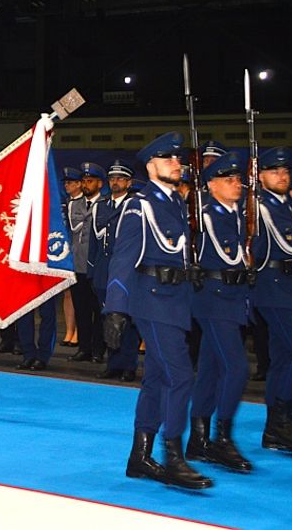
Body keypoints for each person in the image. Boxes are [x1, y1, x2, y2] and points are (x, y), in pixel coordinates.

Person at [104, 132, 213, 490]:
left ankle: (140, 456)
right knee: (180, 377)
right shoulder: (141, 204)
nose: (177, 164)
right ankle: (174, 457)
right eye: (168, 159)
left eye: (178, 159)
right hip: (152, 302)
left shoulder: (175, 203)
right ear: (151, 166)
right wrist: (116, 308)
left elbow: (174, 250)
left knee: (155, 380)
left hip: (175, 300)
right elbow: (122, 258)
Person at [185, 152, 253, 472]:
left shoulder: (239, 214)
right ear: (211, 186)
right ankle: (223, 438)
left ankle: (198, 441)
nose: (236, 184)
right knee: (237, 369)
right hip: (213, 299)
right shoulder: (208, 216)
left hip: (233, 298)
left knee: (211, 370)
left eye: (238, 179)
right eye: (229, 180)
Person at [250, 147, 292, 451]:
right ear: (260, 175)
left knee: (283, 359)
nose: (281, 175)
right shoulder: (259, 207)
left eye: (284, 171)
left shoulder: (289, 206)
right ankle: (281, 420)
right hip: (271, 288)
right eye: (273, 171)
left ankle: (281, 422)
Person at [91, 160, 139, 382]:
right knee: (107, 320)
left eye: (120, 179)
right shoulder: (100, 206)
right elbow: (94, 241)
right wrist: (92, 270)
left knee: (126, 321)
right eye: (112, 179)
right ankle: (113, 363)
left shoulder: (135, 206)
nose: (115, 182)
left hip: (127, 272)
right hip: (104, 270)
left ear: (129, 182)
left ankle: (128, 365)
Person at [69, 161, 106, 363]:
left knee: (98, 310)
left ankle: (98, 349)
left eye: (89, 181)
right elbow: (75, 228)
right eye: (83, 180)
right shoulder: (75, 204)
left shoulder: (105, 205)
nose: (85, 184)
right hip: (78, 265)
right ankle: (84, 347)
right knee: (81, 309)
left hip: (97, 267)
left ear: (100, 184)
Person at [59, 167, 83, 347]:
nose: (66, 186)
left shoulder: (85, 203)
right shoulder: (65, 203)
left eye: (70, 183)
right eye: (65, 183)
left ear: (78, 184)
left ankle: (79, 332)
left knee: (80, 294)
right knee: (67, 294)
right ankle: (69, 330)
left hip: (79, 254)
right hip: (67, 253)